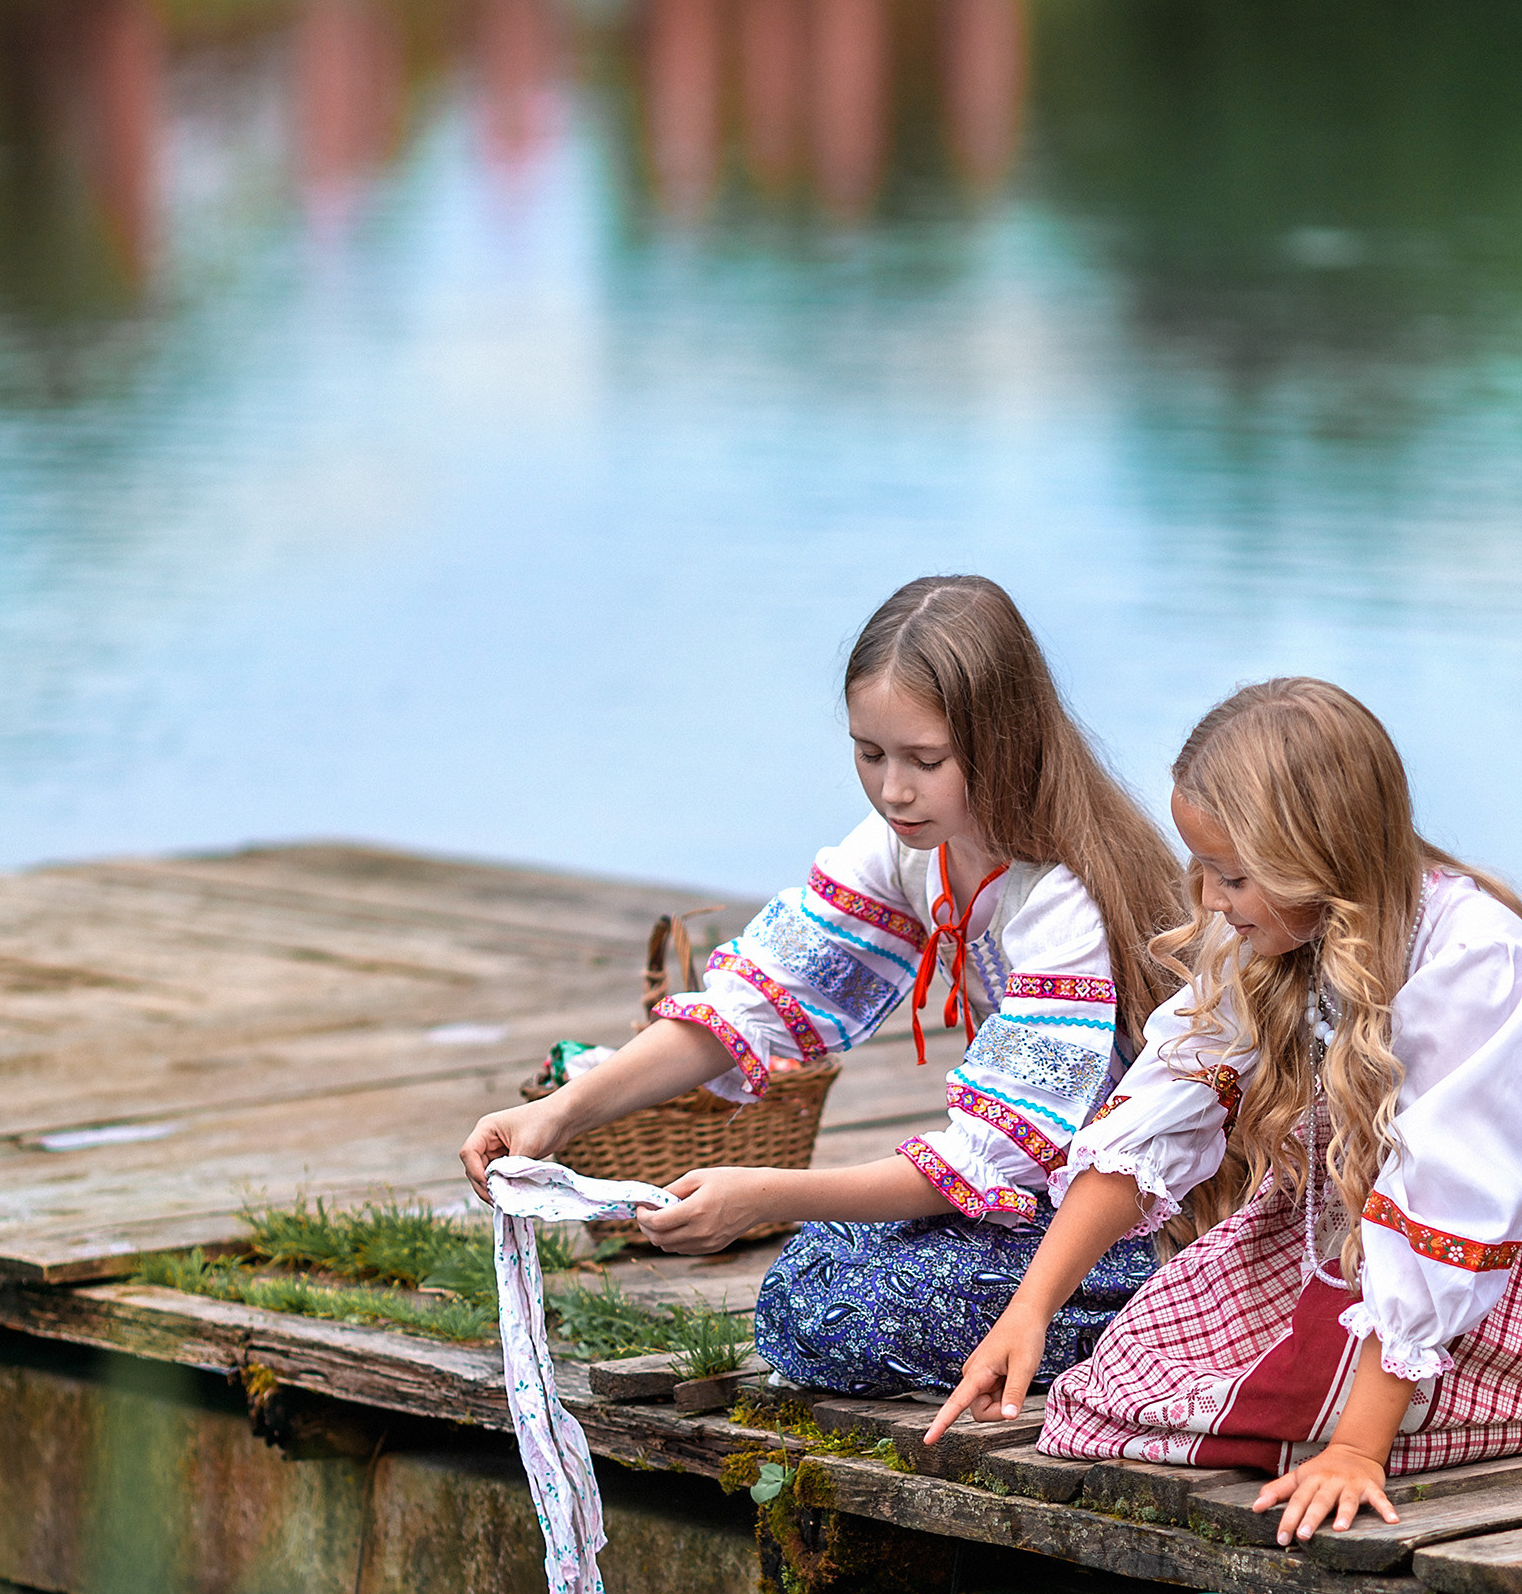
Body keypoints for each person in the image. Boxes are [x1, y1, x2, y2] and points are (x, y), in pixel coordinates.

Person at [924, 677, 1522, 1541]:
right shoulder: (1272, 929)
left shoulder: (1477, 963)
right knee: (1118, 1393)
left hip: (1504, 1253)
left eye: (1232, 876)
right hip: (1350, 1226)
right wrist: (1030, 1308)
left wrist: (1357, 1450)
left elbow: (1451, 1204)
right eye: (1203, 869)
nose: (1210, 900)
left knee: (1290, 1424)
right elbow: (1163, 1107)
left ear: (1319, 858)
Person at [459, 577, 1187, 1396]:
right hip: (1027, 1201)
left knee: (840, 1311)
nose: (893, 789)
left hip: (1131, 1220)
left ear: (1006, 741)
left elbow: (996, 1151)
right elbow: (756, 1000)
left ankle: (1155, 1318)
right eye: (869, 754)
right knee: (815, 1276)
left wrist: (765, 1196)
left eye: (925, 761)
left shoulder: (1062, 900)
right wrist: (558, 1114)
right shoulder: (911, 844)